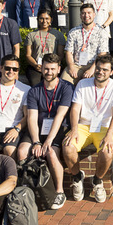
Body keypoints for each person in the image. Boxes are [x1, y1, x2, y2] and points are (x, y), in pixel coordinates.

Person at [64, 54, 113, 203]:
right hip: (83, 125)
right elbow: (75, 109)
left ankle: (97, 181)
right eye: (98, 68)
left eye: (105, 70)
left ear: (111, 72)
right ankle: (77, 177)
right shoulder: (83, 84)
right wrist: (74, 129)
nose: (100, 72)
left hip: (105, 127)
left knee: (107, 152)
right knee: (67, 147)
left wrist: (110, 135)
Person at [17, 53, 72, 210]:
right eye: (46, 69)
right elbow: (32, 119)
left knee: (51, 153)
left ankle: (59, 191)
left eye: (53, 69)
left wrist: (47, 141)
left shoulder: (66, 88)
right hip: (38, 129)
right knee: (21, 151)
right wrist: (36, 141)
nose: (49, 72)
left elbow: (60, 116)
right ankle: (27, 189)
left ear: (59, 69)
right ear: (41, 69)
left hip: (58, 128)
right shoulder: (34, 91)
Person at [64, 3, 110, 82]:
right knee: (64, 83)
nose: (86, 16)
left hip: (94, 65)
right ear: (80, 15)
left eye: (89, 13)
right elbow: (68, 52)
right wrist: (71, 66)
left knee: (91, 83)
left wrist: (92, 69)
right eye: (83, 13)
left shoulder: (101, 32)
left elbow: (102, 54)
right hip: (76, 65)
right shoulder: (73, 32)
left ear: (94, 14)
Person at [24, 10, 65, 87]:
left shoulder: (58, 35)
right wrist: (36, 65)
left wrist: (52, 65)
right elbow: (28, 55)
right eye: (41, 18)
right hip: (36, 67)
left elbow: (60, 55)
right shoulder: (31, 35)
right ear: (37, 19)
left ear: (51, 20)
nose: (44, 21)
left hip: (52, 67)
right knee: (36, 85)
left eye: (47, 18)